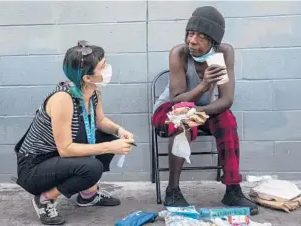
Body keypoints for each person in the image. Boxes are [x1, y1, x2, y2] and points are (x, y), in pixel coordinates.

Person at [151, 6, 259, 215]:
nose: (192, 41)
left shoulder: (224, 53)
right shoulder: (179, 54)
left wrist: (198, 111)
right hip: (169, 111)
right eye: (190, 34)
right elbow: (176, 100)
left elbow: (226, 100)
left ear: (213, 41)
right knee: (183, 115)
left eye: (200, 37)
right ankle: (172, 190)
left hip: (201, 110)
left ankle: (232, 189)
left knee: (226, 119)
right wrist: (203, 86)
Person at [14, 40, 135, 225]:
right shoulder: (63, 99)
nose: (108, 69)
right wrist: (109, 147)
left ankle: (88, 195)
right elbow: (65, 149)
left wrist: (120, 131)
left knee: (107, 138)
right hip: (35, 167)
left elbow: (100, 121)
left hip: (55, 158)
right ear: (87, 77)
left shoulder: (93, 91)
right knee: (95, 164)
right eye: (103, 67)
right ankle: (44, 199)